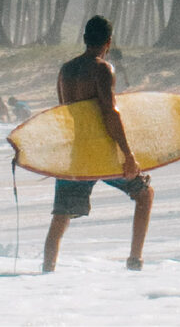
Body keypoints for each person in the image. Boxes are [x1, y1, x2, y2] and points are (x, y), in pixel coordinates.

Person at [42, 15, 153, 272]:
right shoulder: (102, 69)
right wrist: (128, 155)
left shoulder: (66, 70)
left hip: (75, 152)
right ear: (109, 42)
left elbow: (65, 112)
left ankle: (46, 273)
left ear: (84, 39)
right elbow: (109, 113)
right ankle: (134, 262)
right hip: (102, 151)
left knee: (61, 217)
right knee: (144, 195)